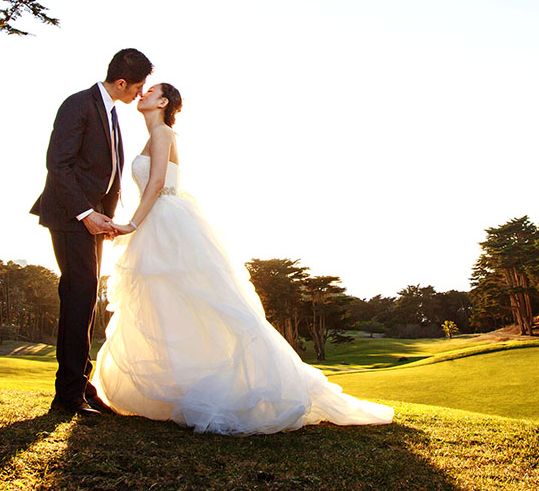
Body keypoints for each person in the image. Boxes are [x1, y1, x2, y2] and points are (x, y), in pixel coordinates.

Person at [92, 83, 394, 434]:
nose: (142, 94)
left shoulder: (162, 132)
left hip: (165, 222)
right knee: (168, 305)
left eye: (151, 91)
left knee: (195, 303)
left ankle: (227, 387)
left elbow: (157, 183)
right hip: (158, 222)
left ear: (163, 102)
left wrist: (131, 223)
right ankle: (179, 389)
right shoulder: (156, 134)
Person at [31, 48, 152, 418]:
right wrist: (86, 213)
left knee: (85, 300)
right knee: (78, 297)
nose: (139, 93)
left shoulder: (111, 112)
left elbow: (105, 172)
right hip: (71, 218)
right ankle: (67, 396)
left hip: (95, 223)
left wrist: (105, 219)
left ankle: (82, 384)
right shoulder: (79, 104)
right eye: (138, 85)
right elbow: (58, 164)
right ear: (120, 82)